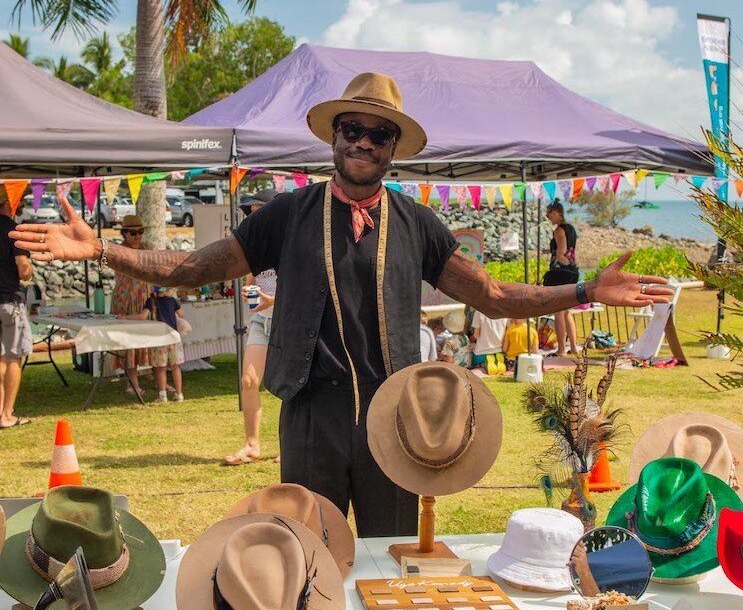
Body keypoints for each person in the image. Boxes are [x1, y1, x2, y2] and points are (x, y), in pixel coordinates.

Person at [12, 72, 674, 537]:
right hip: (310, 418)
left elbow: (495, 296)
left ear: (392, 148)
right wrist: (102, 251)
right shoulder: (288, 214)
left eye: (378, 134)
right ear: (335, 137)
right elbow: (190, 267)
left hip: (395, 421)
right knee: (310, 555)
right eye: (352, 129)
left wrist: (583, 290)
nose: (363, 141)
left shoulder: (418, 224)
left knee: (388, 558)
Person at [223, 189, 280, 466]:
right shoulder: (256, 250)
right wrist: (250, 292)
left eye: (260, 215)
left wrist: (273, 300)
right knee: (248, 381)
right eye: (253, 216)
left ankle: (289, 447)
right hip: (261, 319)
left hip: (286, 319)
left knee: (288, 388)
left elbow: (307, 292)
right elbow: (250, 283)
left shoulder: (291, 246)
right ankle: (252, 445)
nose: (255, 221)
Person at [0, 187, 32, 428]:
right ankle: (7, 414)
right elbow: (23, 269)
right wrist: (29, 269)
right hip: (10, 301)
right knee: (13, 358)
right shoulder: (13, 230)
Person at [121, 286, 185, 402]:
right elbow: (181, 314)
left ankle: (162, 396)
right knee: (176, 367)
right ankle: (179, 394)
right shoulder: (172, 301)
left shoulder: (151, 301)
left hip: (160, 338)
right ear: (168, 290)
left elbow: (142, 317)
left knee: (161, 368)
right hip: (174, 337)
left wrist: (125, 317)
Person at [110, 216, 151, 397]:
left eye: (140, 232)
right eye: (133, 233)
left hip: (144, 299)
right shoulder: (118, 251)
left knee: (145, 341)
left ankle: (148, 377)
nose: (137, 236)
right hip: (125, 301)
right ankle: (132, 382)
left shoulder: (147, 248)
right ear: (124, 233)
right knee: (128, 343)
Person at [543, 199, 580, 357]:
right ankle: (573, 346)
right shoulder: (571, 228)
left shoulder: (558, 230)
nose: (548, 216)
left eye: (549, 213)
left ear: (557, 213)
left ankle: (561, 349)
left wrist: (556, 262)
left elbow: (562, 251)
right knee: (566, 312)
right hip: (573, 270)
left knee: (558, 311)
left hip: (562, 272)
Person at [471, 310, 507, 375]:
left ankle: (485, 363)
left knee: (471, 348)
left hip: (481, 353)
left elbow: (476, 336)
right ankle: (497, 362)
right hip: (499, 351)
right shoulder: (504, 311)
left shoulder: (479, 312)